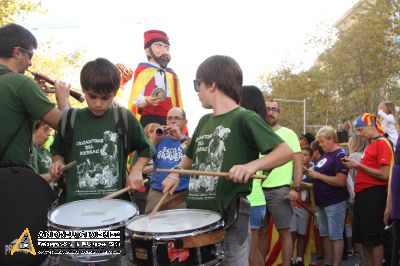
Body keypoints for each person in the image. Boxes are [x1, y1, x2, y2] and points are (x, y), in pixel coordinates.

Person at [162, 55, 293, 266]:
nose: (197, 91)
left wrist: (251, 166)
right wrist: (175, 172)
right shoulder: (204, 121)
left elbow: (285, 151)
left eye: (198, 84)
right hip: (198, 215)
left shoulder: (244, 117)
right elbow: (190, 156)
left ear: (212, 84)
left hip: (231, 215)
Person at [50, 58, 154, 203]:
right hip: (75, 205)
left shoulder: (123, 117)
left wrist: (136, 170)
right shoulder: (70, 118)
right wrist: (57, 162)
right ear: (84, 89)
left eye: (105, 98)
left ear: (115, 92)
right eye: (92, 96)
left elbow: (146, 150)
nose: (98, 104)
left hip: (115, 205)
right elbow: (57, 151)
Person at [0, 23, 70, 166]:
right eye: (30, 55)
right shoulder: (22, 84)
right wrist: (63, 98)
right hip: (9, 177)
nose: (30, 63)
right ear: (18, 52)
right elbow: (67, 127)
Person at [342, 113, 393, 266]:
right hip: (363, 193)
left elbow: (385, 174)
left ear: (371, 126)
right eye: (357, 131)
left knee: (373, 236)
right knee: (363, 237)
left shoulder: (383, 142)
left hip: (373, 193)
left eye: (360, 130)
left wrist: (358, 165)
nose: (358, 134)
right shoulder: (372, 144)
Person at [260, 100, 303, 266]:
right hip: (257, 191)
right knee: (260, 233)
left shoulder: (289, 134)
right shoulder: (257, 131)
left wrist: (296, 187)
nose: (271, 112)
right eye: (267, 109)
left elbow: (298, 162)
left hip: (280, 191)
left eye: (274, 109)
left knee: (285, 232)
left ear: (279, 113)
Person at [305, 126, 349, 266]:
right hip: (321, 202)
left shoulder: (340, 155)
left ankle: (336, 263)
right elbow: (320, 176)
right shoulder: (324, 156)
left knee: (335, 236)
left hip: (334, 202)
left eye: (322, 141)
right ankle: (328, 263)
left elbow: (341, 181)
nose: (320, 145)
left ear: (331, 139)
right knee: (324, 235)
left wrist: (318, 175)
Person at [127, 30, 183, 128]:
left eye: (167, 48)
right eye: (159, 46)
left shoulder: (172, 75)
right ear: (148, 50)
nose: (164, 51)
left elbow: (178, 103)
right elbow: (135, 100)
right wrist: (146, 100)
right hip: (149, 121)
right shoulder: (143, 71)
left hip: (169, 122)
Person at [239, 85, 269, 266]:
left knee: (250, 252)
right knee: (251, 251)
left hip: (253, 199)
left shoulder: (252, 126)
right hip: (255, 199)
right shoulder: (258, 126)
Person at [144, 107, 190, 213]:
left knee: (180, 228)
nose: (172, 121)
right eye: (169, 118)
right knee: (151, 227)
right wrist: (154, 140)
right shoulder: (159, 140)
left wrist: (180, 137)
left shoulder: (189, 141)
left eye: (177, 118)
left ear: (185, 122)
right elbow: (143, 160)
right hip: (156, 194)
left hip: (180, 196)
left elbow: (195, 156)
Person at [290, 145, 314, 266]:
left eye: (306, 155)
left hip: (305, 206)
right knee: (292, 233)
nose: (303, 157)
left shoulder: (313, 169)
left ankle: (299, 258)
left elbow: (312, 183)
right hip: (292, 205)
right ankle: (290, 257)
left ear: (311, 157)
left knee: (302, 234)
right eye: (301, 155)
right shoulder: (292, 168)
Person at [31, 121, 54, 185]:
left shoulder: (46, 151)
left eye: (50, 130)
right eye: (46, 129)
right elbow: (31, 179)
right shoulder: (30, 151)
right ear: (34, 130)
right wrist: (53, 175)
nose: (49, 133)